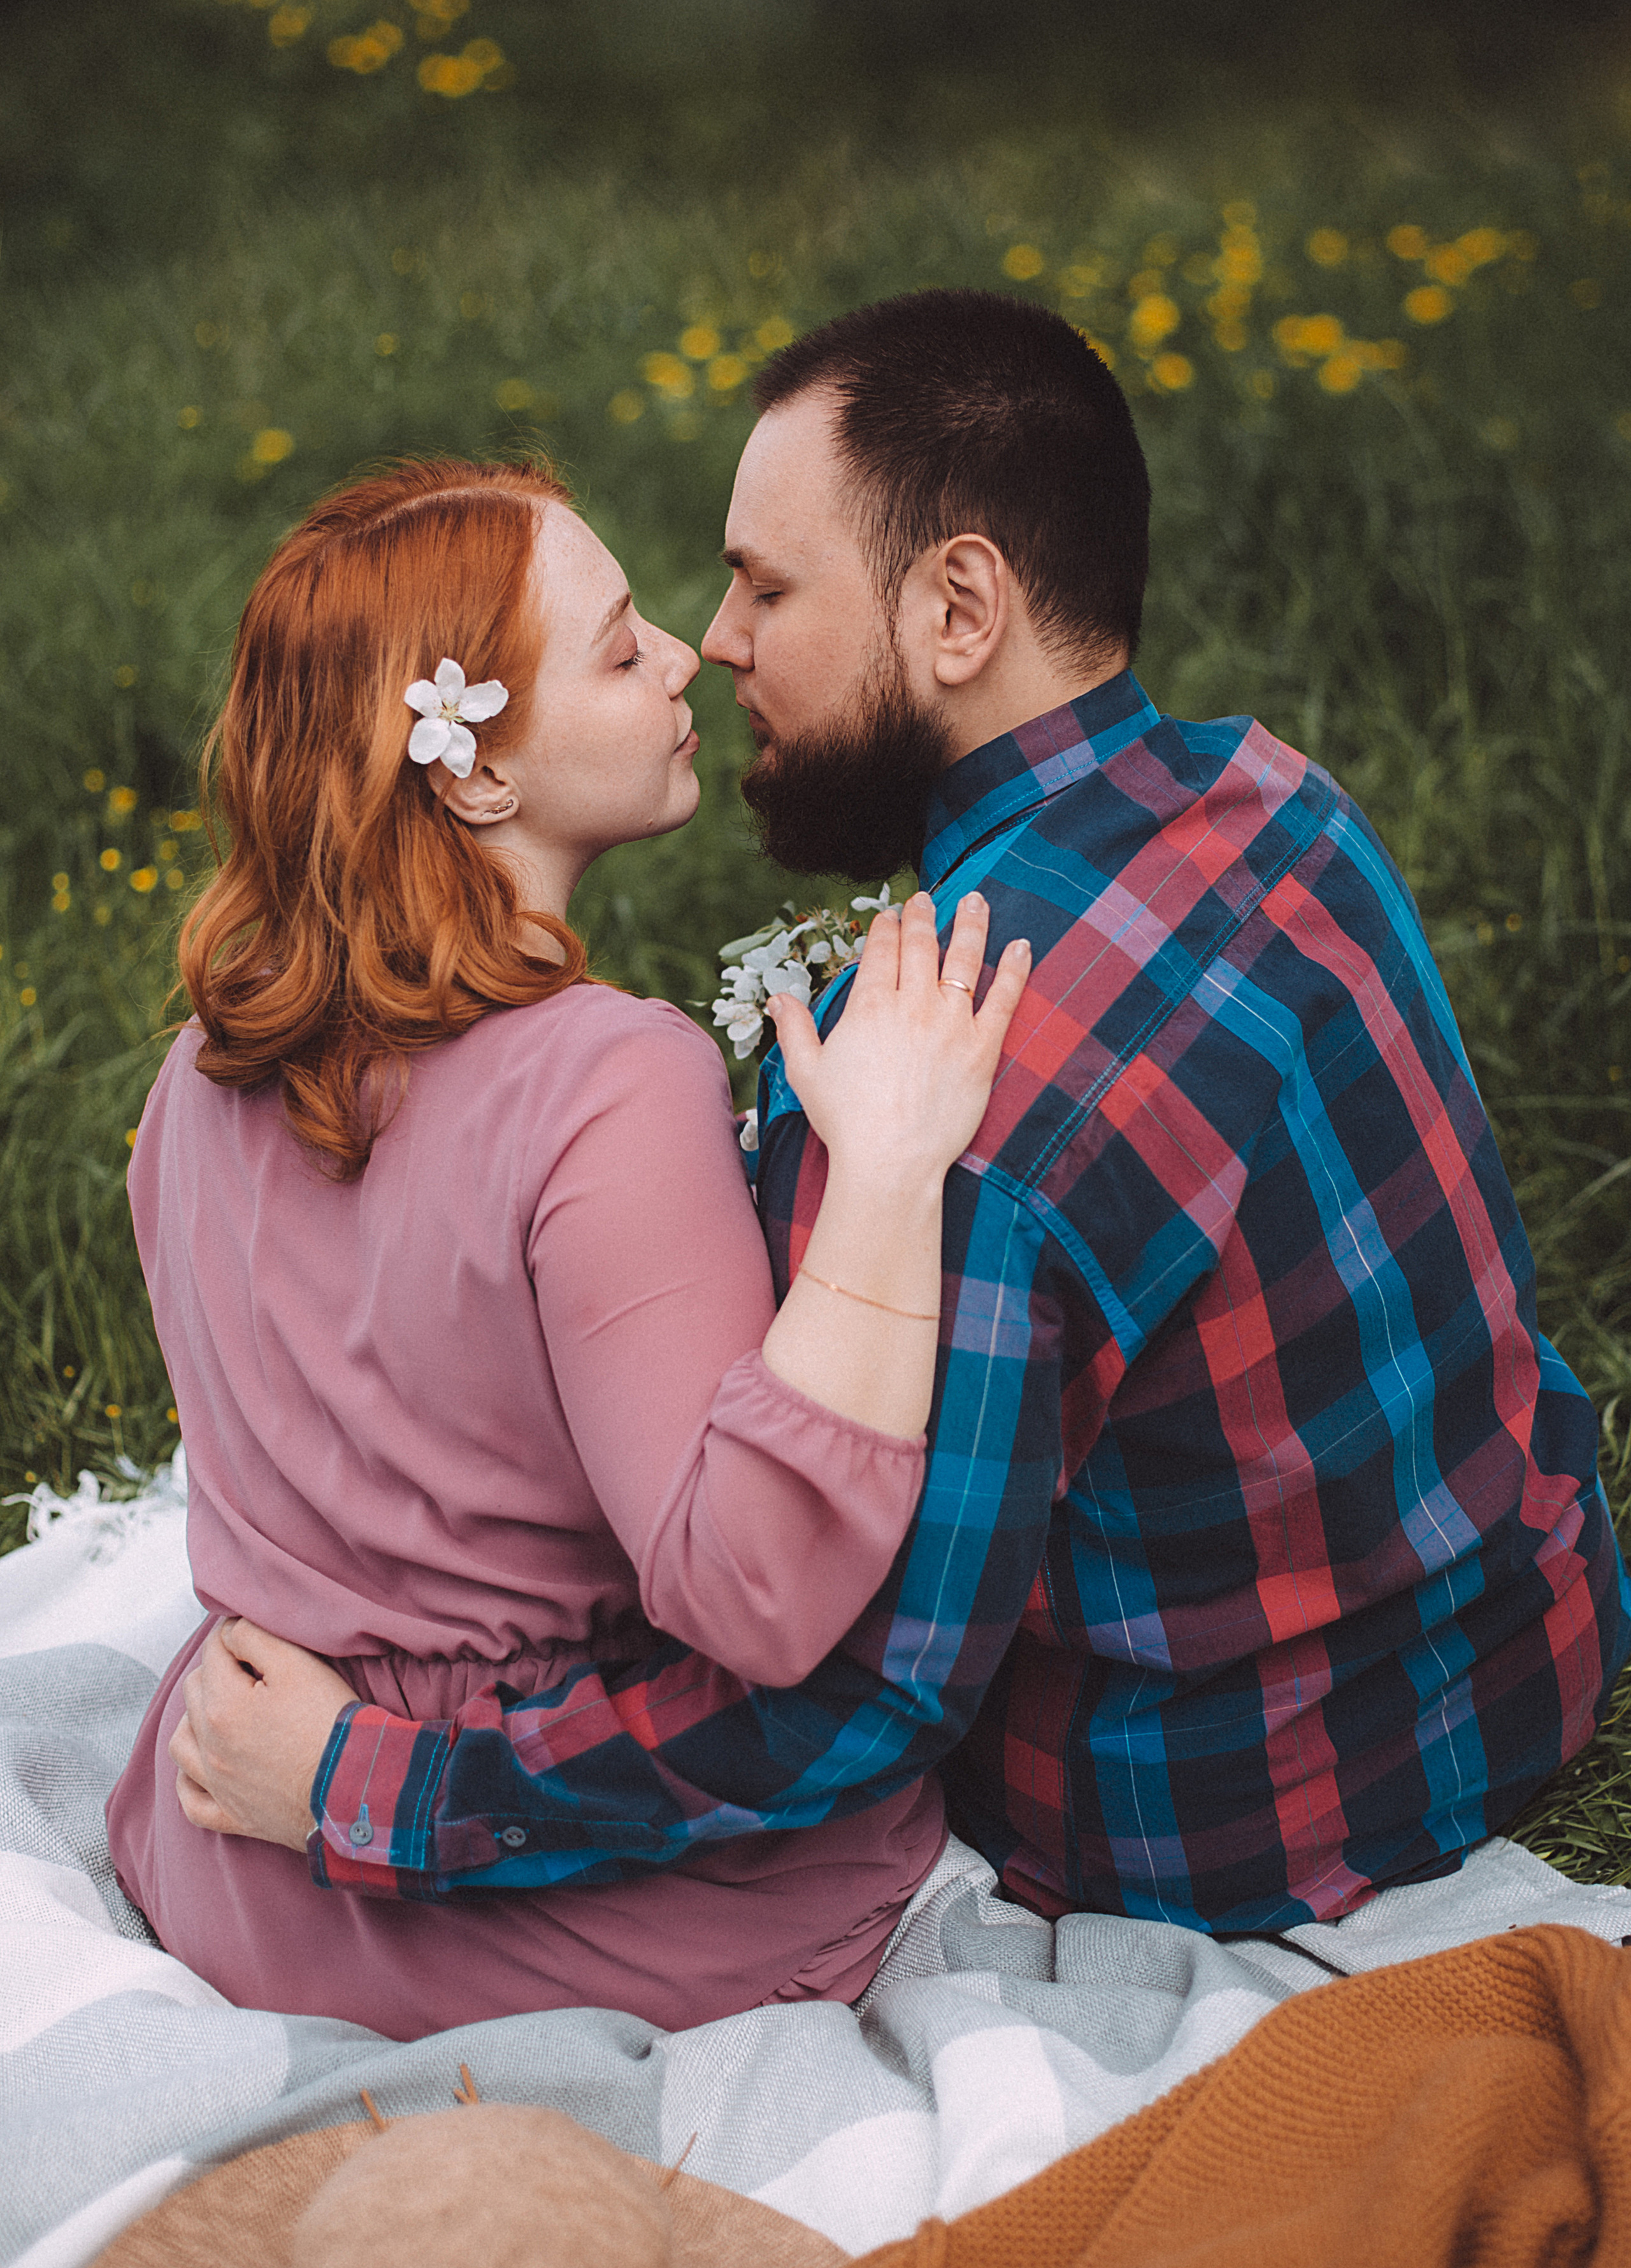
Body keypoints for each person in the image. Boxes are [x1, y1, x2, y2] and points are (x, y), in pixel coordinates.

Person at [173, 290, 1630, 1940]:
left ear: (958, 609)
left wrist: (376, 1783)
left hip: (1227, 1806)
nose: (720, 641)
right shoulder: (1283, 802)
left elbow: (856, 1699)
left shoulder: (943, 1093)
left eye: (767, 585)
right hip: (1532, 1636)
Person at [106, 454, 1030, 2039]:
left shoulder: (192, 1076)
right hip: (526, 1890)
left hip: (233, 1850)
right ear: (471, 776)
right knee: (878, 1837)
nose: (685, 657)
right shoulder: (612, 1080)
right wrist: (883, 1183)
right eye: (618, 650)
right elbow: (749, 1588)